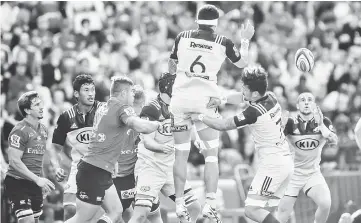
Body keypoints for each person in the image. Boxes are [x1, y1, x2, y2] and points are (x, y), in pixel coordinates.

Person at [168, 4, 255, 222]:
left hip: (180, 100)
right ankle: (210, 204)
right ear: (216, 24)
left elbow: (171, 66)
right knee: (211, 157)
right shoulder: (222, 42)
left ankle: (179, 203)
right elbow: (243, 63)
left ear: (197, 21)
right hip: (205, 102)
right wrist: (245, 39)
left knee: (180, 154)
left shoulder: (182, 36)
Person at [192, 66, 293, 223]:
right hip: (283, 160)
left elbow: (223, 125)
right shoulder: (271, 97)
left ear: (254, 93)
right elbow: (240, 97)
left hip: (273, 165)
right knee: (265, 211)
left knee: (251, 210)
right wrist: (221, 99)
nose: (242, 90)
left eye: (244, 88)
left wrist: (199, 116)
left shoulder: (254, 112)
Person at [65, 76, 161, 223]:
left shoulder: (103, 107)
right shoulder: (121, 108)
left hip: (99, 169)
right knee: (82, 218)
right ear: (123, 93)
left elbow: (104, 136)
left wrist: (113, 161)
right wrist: (160, 125)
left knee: (116, 212)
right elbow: (139, 125)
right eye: (131, 94)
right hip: (95, 170)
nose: (132, 97)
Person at [129, 72, 201, 223]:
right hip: (150, 167)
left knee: (194, 207)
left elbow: (190, 126)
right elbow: (148, 142)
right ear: (170, 88)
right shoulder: (151, 109)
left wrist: (199, 140)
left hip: (170, 168)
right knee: (141, 215)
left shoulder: (180, 107)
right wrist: (162, 148)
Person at [276, 92, 338, 223]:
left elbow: (334, 143)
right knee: (283, 212)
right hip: (292, 174)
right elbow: (276, 144)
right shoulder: (290, 122)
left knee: (325, 204)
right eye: (302, 100)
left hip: (312, 173)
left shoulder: (324, 121)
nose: (306, 102)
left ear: (314, 105)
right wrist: (279, 129)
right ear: (298, 106)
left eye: (310, 100)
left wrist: (321, 126)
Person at [50, 74, 104, 221]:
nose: (91, 93)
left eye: (92, 89)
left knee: (107, 214)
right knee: (69, 210)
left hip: (103, 170)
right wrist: (57, 167)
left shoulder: (104, 111)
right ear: (76, 93)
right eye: (86, 90)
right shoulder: (66, 117)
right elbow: (55, 146)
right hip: (78, 169)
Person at [4, 91, 55, 223]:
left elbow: (39, 158)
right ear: (27, 110)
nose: (41, 107)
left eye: (41, 103)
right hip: (17, 182)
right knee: (27, 220)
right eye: (36, 105)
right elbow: (14, 161)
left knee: (35, 220)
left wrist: (41, 180)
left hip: (35, 182)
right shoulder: (19, 130)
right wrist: (38, 179)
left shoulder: (43, 129)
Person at [112, 85, 146, 223]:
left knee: (125, 213)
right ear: (143, 103)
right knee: (121, 214)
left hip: (122, 175)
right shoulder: (142, 122)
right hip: (126, 176)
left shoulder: (116, 116)